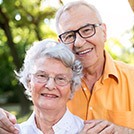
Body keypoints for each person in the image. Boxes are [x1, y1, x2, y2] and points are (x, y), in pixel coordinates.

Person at [0, 0, 134, 133]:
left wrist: (124, 131)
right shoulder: (57, 85)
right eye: (69, 36)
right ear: (61, 43)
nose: (79, 42)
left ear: (104, 32)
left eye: (87, 30)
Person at [1, 39, 84, 134]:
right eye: (41, 76)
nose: (50, 86)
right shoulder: (13, 132)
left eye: (60, 78)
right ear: (29, 82)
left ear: (72, 86)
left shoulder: (89, 131)